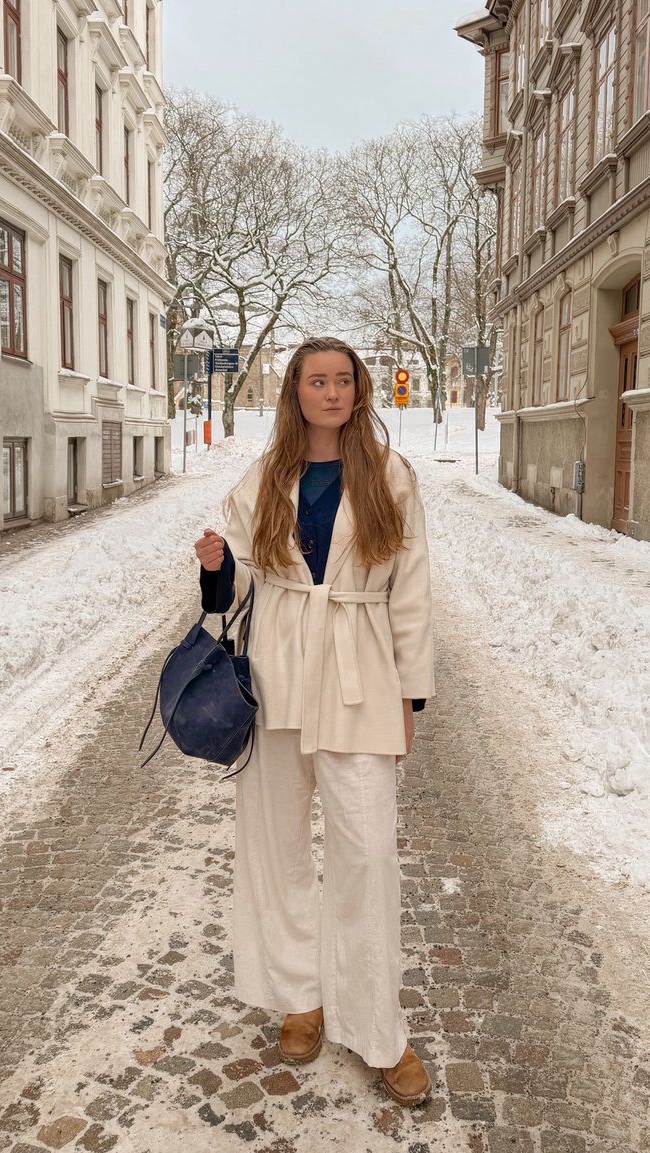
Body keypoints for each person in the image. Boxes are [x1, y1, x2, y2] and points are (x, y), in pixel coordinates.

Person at [194, 336, 435, 1106]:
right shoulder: (265, 475)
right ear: (295, 393)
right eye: (315, 380)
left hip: (362, 671)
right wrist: (213, 568)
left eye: (342, 380)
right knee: (276, 843)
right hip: (278, 672)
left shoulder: (391, 474)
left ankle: (378, 1027)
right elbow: (234, 579)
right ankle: (301, 995)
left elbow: (413, 587)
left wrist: (411, 691)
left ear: (359, 390)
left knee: (366, 853)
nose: (330, 392)